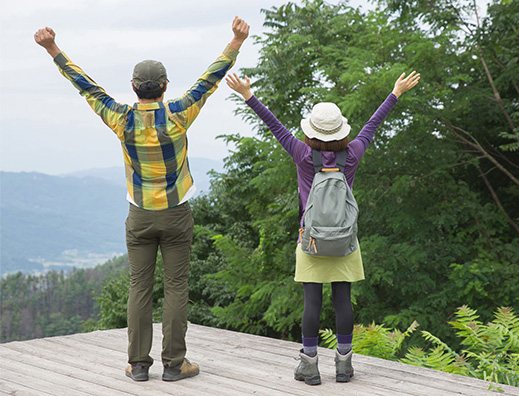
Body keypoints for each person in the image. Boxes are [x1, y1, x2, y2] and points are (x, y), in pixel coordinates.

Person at [34, 17, 250, 382]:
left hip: (139, 217)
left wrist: (53, 49)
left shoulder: (122, 119)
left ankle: (137, 365)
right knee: (176, 287)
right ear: (165, 87)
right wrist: (235, 41)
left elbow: (86, 87)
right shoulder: (179, 114)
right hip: (176, 213)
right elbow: (209, 79)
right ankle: (174, 364)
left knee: (139, 287)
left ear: (134, 88)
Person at [225, 70, 420, 385]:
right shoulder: (352, 154)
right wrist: (395, 93)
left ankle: (310, 366)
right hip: (345, 240)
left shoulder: (302, 155)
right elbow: (373, 125)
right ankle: (344, 365)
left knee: (312, 301)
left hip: (311, 241)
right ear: (341, 130)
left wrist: (248, 95)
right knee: (343, 298)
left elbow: (273, 124)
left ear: (311, 131)